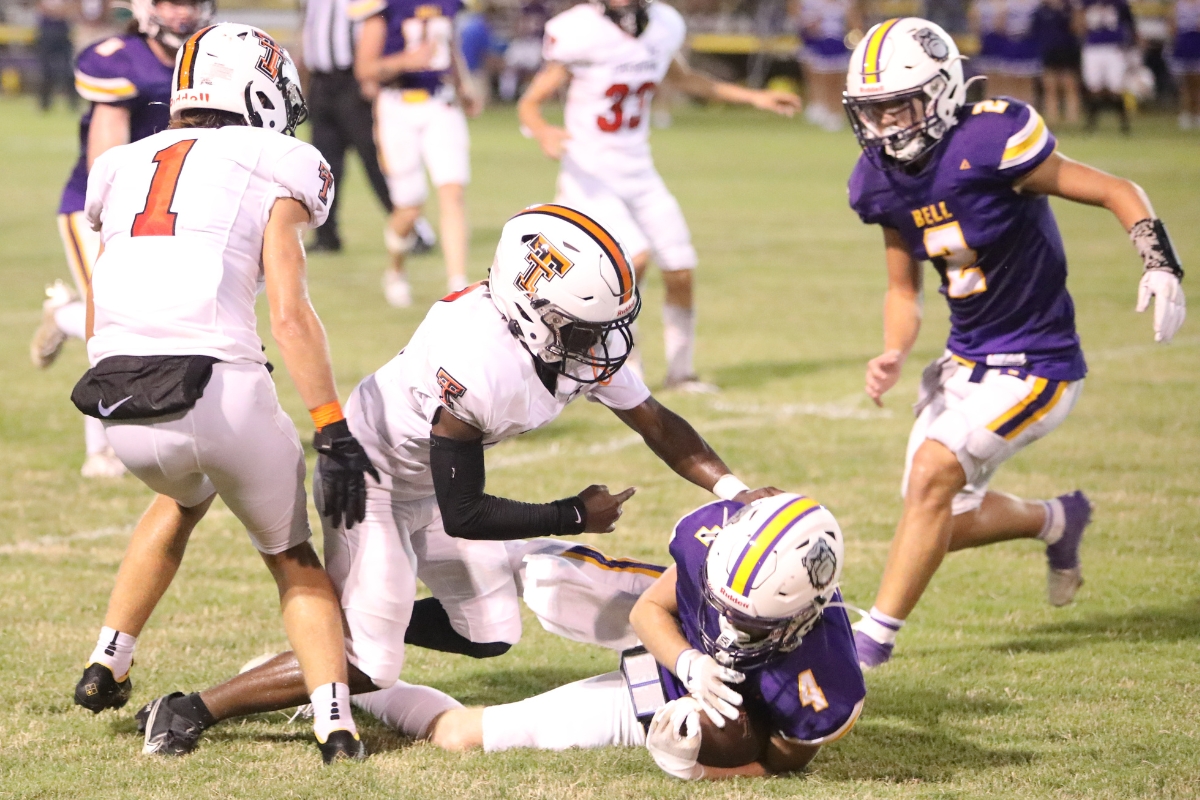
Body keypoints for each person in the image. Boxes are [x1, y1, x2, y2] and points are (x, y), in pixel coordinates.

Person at [124, 204, 787, 755]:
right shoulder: (479, 362)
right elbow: (465, 511)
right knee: (371, 665)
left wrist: (732, 490)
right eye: (587, 327)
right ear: (536, 313)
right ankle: (191, 708)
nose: (603, 342)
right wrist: (571, 514)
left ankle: (330, 636)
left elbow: (654, 420)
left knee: (489, 631)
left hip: (426, 481)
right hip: (373, 479)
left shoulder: (554, 338)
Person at [70, 23, 380, 763]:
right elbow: (289, 316)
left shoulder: (121, 163)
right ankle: (335, 723)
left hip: (115, 401)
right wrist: (331, 428)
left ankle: (106, 659)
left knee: (182, 496)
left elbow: (96, 303)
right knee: (293, 558)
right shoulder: (278, 160)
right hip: (216, 391)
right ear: (255, 87)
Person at [841, 18, 1186, 669]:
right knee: (935, 512)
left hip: (1039, 363)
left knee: (932, 478)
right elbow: (903, 290)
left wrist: (1158, 261)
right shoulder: (877, 181)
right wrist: (893, 349)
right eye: (871, 110)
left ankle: (870, 644)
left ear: (941, 92)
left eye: (898, 105)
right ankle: (1055, 519)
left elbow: (1116, 189)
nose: (884, 124)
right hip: (962, 360)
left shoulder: (991, 138)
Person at [357, 494, 866, 782]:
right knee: (552, 579)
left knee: (458, 736)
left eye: (750, 623)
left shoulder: (827, 679)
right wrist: (688, 661)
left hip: (680, 710)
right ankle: (343, 658)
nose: (730, 628)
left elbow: (780, 762)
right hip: (677, 651)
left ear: (803, 613)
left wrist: (696, 769)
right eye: (723, 606)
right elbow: (649, 608)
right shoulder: (711, 542)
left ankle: (348, 674)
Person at [517, 0, 801, 392]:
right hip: (591, 173)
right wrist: (544, 131)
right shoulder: (580, 30)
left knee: (680, 267)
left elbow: (685, 79)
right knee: (634, 259)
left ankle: (680, 372)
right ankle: (622, 368)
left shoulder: (663, 25)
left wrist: (754, 97)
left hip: (639, 169)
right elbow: (530, 102)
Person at [30, 0, 214, 479]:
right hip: (99, 207)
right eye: (174, 1)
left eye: (192, 2)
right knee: (111, 321)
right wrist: (120, 228)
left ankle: (64, 315)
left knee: (160, 320)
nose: (184, 12)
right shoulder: (117, 58)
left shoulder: (211, 59)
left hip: (169, 211)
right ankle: (100, 448)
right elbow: (104, 165)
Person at [350, 0, 481, 307]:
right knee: (409, 208)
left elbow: (451, 49)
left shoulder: (449, 4)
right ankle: (395, 269)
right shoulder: (385, 6)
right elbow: (364, 68)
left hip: (441, 102)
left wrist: (464, 88)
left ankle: (457, 284)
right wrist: (403, 62)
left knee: (452, 191)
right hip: (398, 105)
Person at [301, 0, 395, 253]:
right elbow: (310, 30)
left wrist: (371, 77)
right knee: (324, 164)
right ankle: (327, 235)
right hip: (321, 82)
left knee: (374, 160)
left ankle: (408, 227)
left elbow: (379, 27)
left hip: (353, 81)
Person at [798, 0, 863, 132]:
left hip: (839, 45)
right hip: (822, 44)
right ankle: (825, 108)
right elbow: (807, 23)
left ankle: (836, 113)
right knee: (824, 79)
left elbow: (855, 25)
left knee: (838, 82)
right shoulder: (817, 5)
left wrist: (855, 40)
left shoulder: (845, 4)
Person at [1076, 0, 1138, 132]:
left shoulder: (1119, 3)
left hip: (1114, 48)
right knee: (1093, 86)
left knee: (1116, 87)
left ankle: (1124, 124)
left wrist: (1131, 45)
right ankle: (1091, 124)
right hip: (1093, 47)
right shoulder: (1087, 3)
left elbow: (1130, 24)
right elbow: (1078, 23)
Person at [1037, 0, 1083, 126]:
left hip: (1067, 50)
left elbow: (1077, 29)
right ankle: (1052, 119)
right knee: (1050, 87)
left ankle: (1072, 120)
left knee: (1069, 85)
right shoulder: (1041, 10)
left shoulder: (1070, 8)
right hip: (1048, 51)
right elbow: (1035, 31)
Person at [37, 0, 79, 111]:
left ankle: (73, 103)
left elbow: (72, 8)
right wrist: (59, 12)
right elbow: (41, 7)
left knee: (68, 70)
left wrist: (57, 13)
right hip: (47, 31)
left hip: (63, 32)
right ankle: (45, 104)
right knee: (46, 71)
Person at [998, 0, 1042, 104]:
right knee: (1011, 78)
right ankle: (1012, 107)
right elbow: (1000, 24)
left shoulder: (1035, 4)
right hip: (1012, 41)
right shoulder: (1009, 4)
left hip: (1028, 42)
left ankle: (1027, 108)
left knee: (1027, 81)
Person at [1170, 0, 1200, 129]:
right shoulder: (1178, 5)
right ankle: (1185, 114)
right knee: (1184, 85)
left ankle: (1197, 114)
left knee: (1196, 84)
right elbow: (1171, 24)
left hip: (1197, 44)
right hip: (1183, 45)